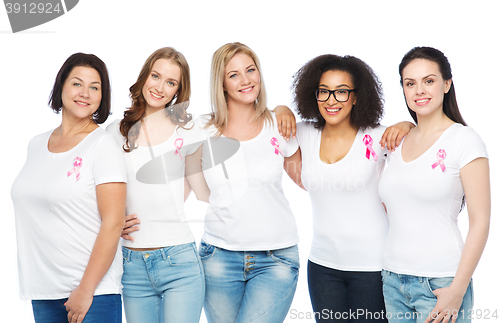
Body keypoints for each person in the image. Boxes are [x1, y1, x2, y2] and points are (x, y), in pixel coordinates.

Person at [282, 54, 412, 322]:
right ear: (313, 94)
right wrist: (281, 109)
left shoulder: (378, 136)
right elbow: (273, 127)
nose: (332, 100)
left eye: (341, 92)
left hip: (372, 266)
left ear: (356, 97)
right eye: (324, 91)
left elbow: (416, 145)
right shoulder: (304, 132)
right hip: (322, 266)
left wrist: (408, 125)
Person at [11, 53, 127, 323]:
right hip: (43, 291)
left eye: (94, 87)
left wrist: (86, 290)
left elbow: (113, 221)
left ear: (102, 95)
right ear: (61, 85)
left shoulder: (102, 145)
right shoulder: (36, 144)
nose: (85, 93)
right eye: (77, 83)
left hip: (92, 294)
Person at [378, 47, 490, 323]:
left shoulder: (465, 141)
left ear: (447, 84)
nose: (419, 90)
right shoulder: (397, 140)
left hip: (440, 282)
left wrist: (457, 289)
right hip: (392, 279)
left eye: (429, 80)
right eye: (410, 83)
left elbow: (481, 221)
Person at [196, 42, 301, 323]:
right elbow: (184, 187)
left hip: (275, 258)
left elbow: (309, 181)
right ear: (222, 84)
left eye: (250, 70)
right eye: (234, 75)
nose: (246, 80)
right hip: (217, 258)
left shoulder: (280, 125)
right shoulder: (202, 130)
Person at [106, 47, 206, 323]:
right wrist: (114, 219)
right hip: (131, 265)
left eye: (171, 82)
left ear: (178, 91)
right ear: (144, 77)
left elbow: (191, 185)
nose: (160, 87)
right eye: (155, 76)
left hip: (179, 260)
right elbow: (99, 190)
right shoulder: (115, 131)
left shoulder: (188, 130)